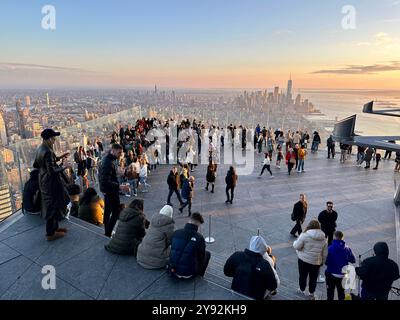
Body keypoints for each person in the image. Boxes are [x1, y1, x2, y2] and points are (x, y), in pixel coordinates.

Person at [33, 129, 71, 241]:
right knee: (52, 206)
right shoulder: (48, 151)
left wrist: (59, 157)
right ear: (49, 139)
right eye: (53, 138)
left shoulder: (41, 148)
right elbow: (52, 171)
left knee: (52, 204)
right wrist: (64, 166)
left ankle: (55, 229)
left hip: (43, 180)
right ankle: (50, 233)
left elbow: (37, 164)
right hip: (50, 183)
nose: (54, 140)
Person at [224, 236, 279, 300]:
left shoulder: (237, 255)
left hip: (236, 289)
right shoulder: (265, 264)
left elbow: (226, 272)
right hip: (256, 296)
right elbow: (273, 286)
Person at [98, 143, 130, 237]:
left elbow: (106, 177)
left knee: (107, 211)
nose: (120, 154)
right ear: (113, 150)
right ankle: (108, 233)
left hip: (106, 190)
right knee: (116, 212)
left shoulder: (107, 159)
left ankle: (107, 230)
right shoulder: (108, 162)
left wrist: (118, 173)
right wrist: (120, 187)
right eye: (119, 152)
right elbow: (105, 181)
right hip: (110, 191)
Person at [168, 212, 210, 278]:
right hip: (189, 273)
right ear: (198, 223)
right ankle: (200, 275)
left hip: (173, 269)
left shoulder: (176, 232)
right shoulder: (199, 237)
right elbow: (201, 257)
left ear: (189, 220)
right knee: (207, 254)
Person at [293, 220, 328, 300]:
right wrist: (322, 262)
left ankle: (302, 289)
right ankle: (311, 292)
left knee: (302, 275)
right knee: (313, 278)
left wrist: (294, 242)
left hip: (303, 260)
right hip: (316, 262)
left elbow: (297, 247)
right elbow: (325, 253)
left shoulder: (304, 235)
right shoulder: (324, 239)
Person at [137, 205, 175, 270]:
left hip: (141, 257)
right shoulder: (169, 225)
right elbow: (170, 242)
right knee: (173, 248)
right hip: (156, 263)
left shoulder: (153, 220)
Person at [324, 231, 356, 301]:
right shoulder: (347, 249)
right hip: (343, 275)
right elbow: (353, 260)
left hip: (331, 273)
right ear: (342, 237)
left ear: (334, 237)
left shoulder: (330, 248)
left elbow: (325, 262)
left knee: (330, 292)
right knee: (341, 293)